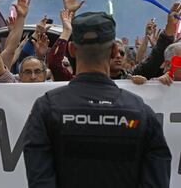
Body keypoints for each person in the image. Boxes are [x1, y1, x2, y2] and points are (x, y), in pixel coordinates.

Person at [23, 12, 171, 188]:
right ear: (115, 50)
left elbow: (40, 181)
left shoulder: (47, 108)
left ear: (71, 49)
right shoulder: (141, 112)